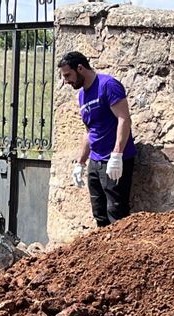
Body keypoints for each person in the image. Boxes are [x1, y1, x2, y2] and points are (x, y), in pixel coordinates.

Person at [58, 51, 137, 227]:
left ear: (80, 68)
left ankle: (119, 252)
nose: (66, 81)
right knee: (99, 214)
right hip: (95, 161)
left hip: (114, 160)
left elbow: (124, 119)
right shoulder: (82, 95)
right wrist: (80, 163)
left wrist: (117, 155)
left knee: (116, 213)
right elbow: (88, 131)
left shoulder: (108, 85)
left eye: (68, 75)